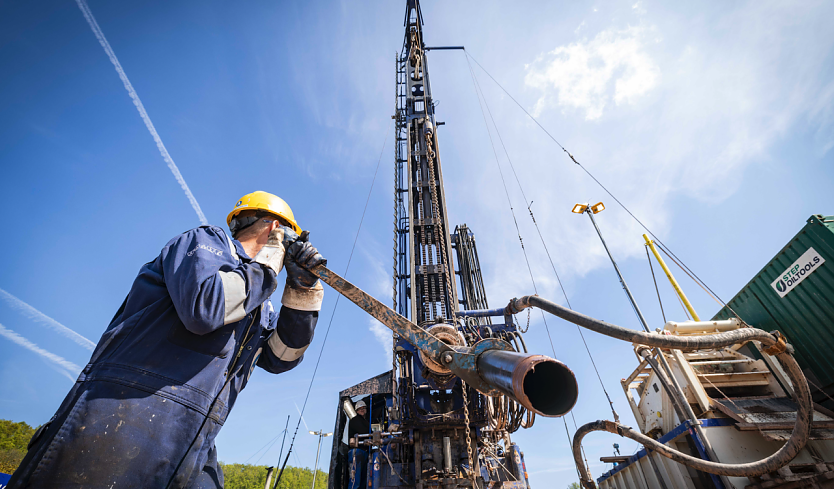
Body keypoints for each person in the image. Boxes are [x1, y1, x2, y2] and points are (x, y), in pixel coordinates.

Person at [9, 191, 326, 489]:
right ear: (275, 229)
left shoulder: (258, 301)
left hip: (195, 439)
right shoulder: (206, 243)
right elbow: (205, 308)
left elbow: (282, 357)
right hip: (124, 416)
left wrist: (303, 290)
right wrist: (268, 265)